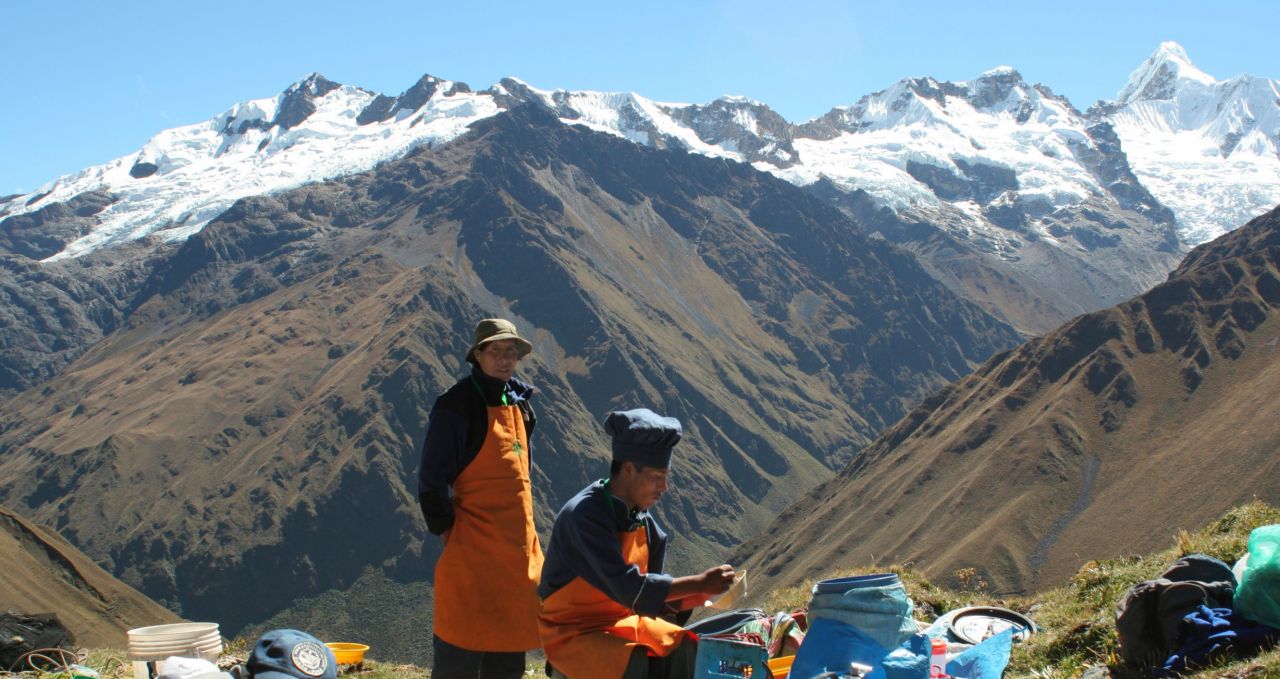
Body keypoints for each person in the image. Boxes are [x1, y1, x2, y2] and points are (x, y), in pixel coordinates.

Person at [537, 408, 737, 679]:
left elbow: (648, 600)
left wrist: (703, 596)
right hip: (572, 633)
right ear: (629, 469)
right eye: (656, 477)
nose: (664, 487)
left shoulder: (643, 521)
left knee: (681, 644)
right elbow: (628, 587)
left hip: (621, 622)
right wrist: (699, 583)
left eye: (666, 477)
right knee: (632, 660)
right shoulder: (585, 516)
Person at [418, 318, 543, 679]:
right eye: (495, 351)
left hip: (516, 555)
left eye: (511, 352)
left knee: (507, 657)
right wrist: (446, 529)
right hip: (471, 549)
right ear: (478, 355)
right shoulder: (456, 406)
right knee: (460, 650)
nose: (504, 359)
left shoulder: (519, 403)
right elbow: (431, 480)